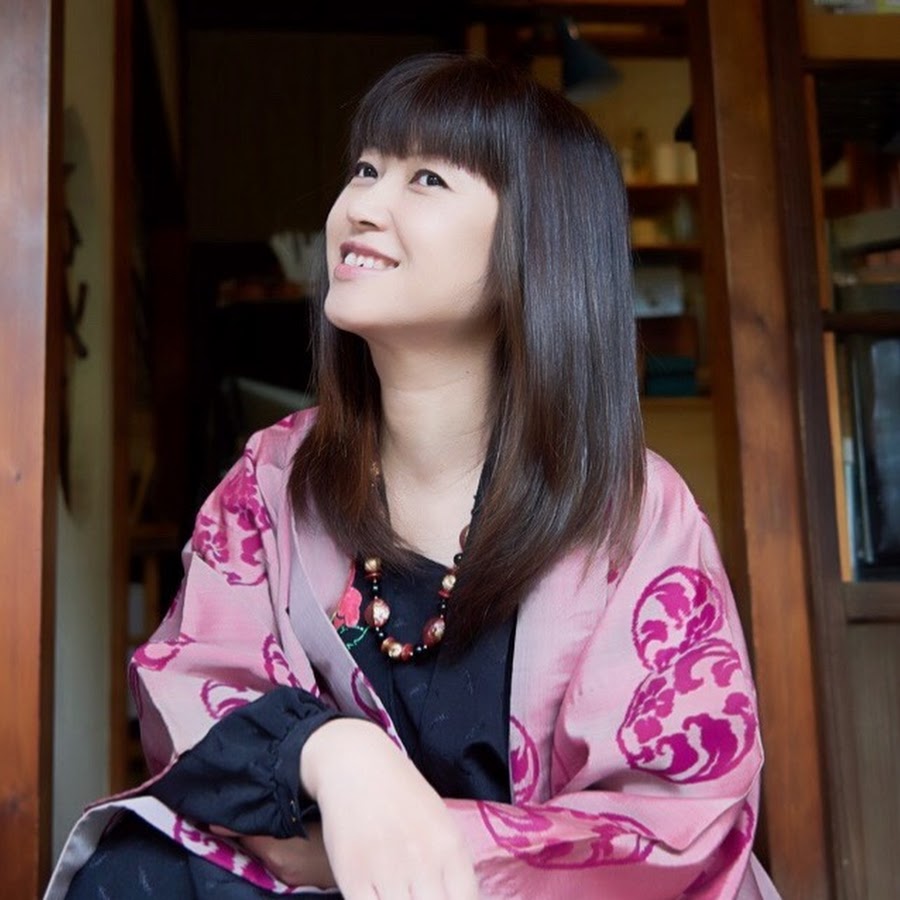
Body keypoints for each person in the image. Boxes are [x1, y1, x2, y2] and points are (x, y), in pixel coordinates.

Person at [47, 52, 781, 899]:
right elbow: (191, 692)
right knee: (133, 872)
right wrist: (333, 754)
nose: (361, 206)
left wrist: (394, 847)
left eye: (426, 179)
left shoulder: (634, 513)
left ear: (537, 246)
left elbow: (676, 819)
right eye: (365, 169)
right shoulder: (274, 479)